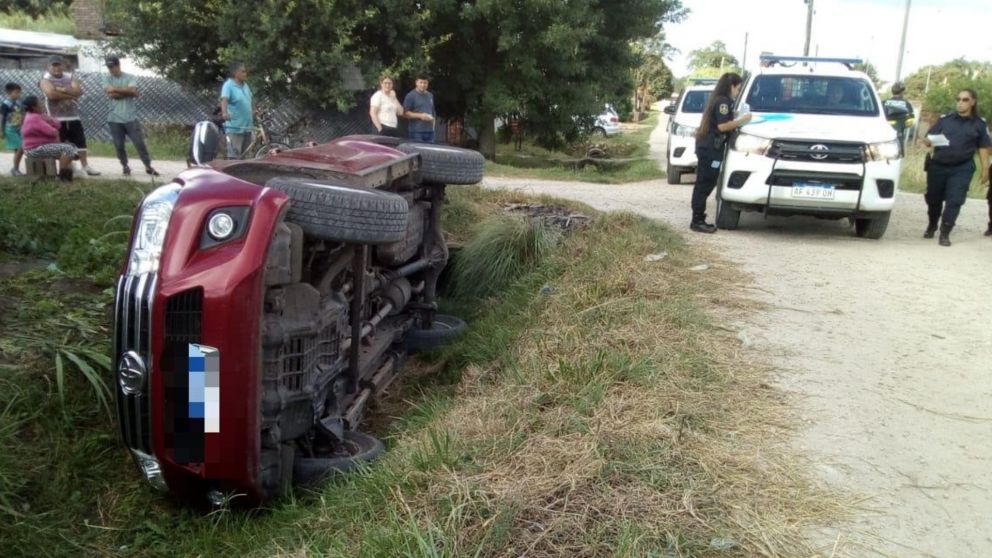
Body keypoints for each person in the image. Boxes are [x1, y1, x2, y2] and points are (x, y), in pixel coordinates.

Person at [920, 88, 991, 246]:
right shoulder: (945, 120)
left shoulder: (979, 124)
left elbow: (984, 147)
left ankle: (945, 233)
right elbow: (928, 139)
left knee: (955, 200)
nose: (960, 103)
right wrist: (928, 141)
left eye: (965, 100)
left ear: (973, 102)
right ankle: (932, 224)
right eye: (958, 99)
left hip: (962, 168)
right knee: (933, 199)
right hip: (938, 166)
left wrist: (985, 169)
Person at [690, 72, 751, 233]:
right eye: (737, 88)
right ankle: (697, 220)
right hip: (710, 148)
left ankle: (698, 218)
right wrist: (743, 120)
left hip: (708, 147)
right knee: (704, 183)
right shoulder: (723, 101)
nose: (737, 92)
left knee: (705, 183)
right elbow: (722, 126)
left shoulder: (718, 100)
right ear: (731, 86)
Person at [39, 55, 100, 176]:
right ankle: (68, 167)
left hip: (73, 116)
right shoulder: (45, 79)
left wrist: (61, 90)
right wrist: (70, 94)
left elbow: (79, 91)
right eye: (53, 65)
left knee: (80, 142)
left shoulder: (69, 76)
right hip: (56, 118)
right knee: (61, 144)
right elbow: (51, 94)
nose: (56, 68)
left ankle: (85, 166)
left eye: (58, 65)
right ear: (48, 67)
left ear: (63, 65)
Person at [103, 56, 159, 176]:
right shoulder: (106, 78)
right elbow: (111, 94)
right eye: (109, 67)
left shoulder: (130, 77)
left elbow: (132, 90)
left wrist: (119, 90)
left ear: (118, 65)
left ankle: (148, 166)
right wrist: (129, 92)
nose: (111, 69)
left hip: (130, 117)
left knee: (139, 143)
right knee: (119, 145)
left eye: (112, 67)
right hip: (114, 118)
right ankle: (125, 166)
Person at [20, 95, 78, 182]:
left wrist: (47, 119)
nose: (42, 104)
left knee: (70, 148)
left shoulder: (35, 115)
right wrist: (52, 126)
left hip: (38, 147)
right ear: (34, 107)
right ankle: (62, 177)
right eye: (40, 103)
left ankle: (65, 174)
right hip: (35, 149)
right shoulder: (34, 118)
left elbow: (57, 124)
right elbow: (53, 132)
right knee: (68, 149)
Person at [219, 61, 253, 159]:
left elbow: (250, 99)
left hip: (247, 127)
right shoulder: (228, 85)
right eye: (243, 71)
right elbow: (224, 99)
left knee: (245, 156)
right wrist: (225, 113)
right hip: (235, 127)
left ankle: (243, 174)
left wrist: (254, 110)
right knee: (234, 156)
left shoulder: (245, 85)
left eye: (245, 71)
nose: (245, 74)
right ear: (235, 73)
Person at [402, 74, 436, 142]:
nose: (423, 85)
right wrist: (421, 116)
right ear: (416, 83)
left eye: (425, 83)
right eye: (421, 82)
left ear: (428, 83)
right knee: (418, 152)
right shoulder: (410, 95)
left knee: (429, 152)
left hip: (430, 132)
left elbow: (433, 112)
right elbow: (405, 113)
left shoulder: (430, 95)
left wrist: (433, 128)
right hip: (416, 132)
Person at [2, 82, 25, 176]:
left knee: (19, 149)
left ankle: (16, 168)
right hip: (10, 129)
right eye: (16, 92)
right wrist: (1, 130)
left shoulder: (19, 103)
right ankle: (15, 169)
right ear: (9, 93)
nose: (18, 94)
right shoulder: (5, 104)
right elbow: (2, 118)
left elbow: (22, 114)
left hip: (19, 129)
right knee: (21, 147)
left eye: (19, 92)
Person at [883, 81, 915, 150]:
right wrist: (900, 124)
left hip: (883, 136)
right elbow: (910, 123)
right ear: (902, 92)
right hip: (898, 135)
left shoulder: (883, 103)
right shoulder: (906, 104)